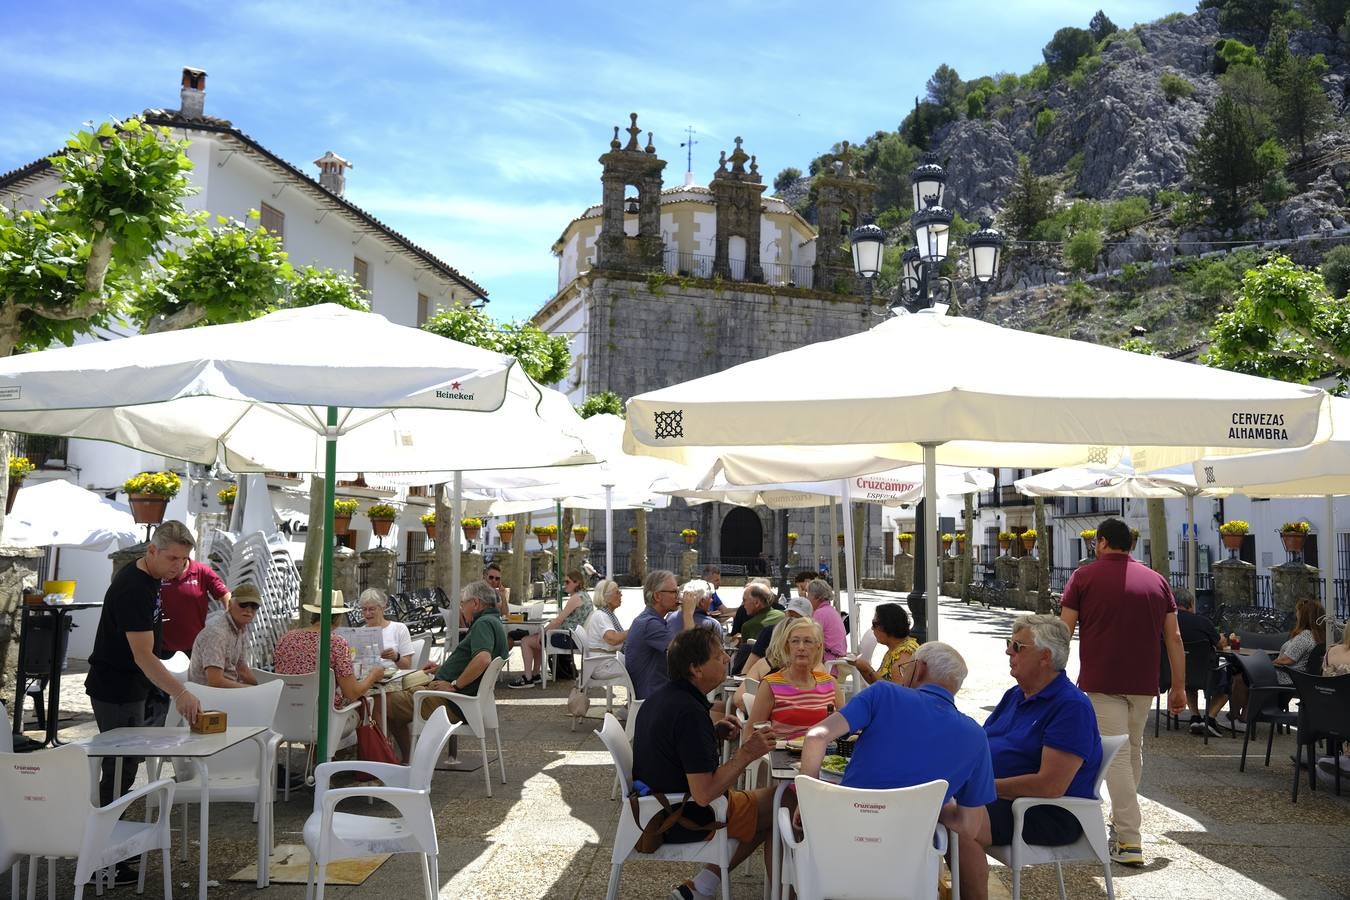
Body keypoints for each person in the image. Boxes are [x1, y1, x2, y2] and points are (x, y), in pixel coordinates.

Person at [1060, 516, 1185, 867]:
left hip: (1102, 680)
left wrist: (1053, 674)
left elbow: (1063, 631)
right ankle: (1120, 823)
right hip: (1143, 682)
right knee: (1131, 750)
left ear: (1101, 542)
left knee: (1115, 755)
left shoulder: (1083, 577)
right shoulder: (1157, 581)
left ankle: (1130, 839)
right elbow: (1174, 637)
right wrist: (1179, 685)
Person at [799, 642, 996, 863]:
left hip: (842, 842)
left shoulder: (884, 693)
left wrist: (807, 800)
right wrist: (931, 807)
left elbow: (816, 736)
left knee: (791, 813)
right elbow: (968, 826)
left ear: (919, 668)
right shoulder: (976, 735)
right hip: (910, 863)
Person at [952, 616, 1103, 900]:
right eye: (1009, 643)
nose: (1008, 651)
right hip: (1003, 800)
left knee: (955, 821)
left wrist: (982, 787)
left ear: (1045, 656)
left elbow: (1050, 785)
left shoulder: (1071, 707)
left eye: (1017, 646)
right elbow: (982, 747)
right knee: (926, 801)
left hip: (1045, 811)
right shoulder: (1016, 695)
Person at [631, 626, 775, 900]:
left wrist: (712, 732)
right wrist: (746, 753)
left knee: (772, 810)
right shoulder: (689, 713)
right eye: (719, 656)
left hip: (657, 807)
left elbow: (674, 747)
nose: (727, 659)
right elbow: (704, 794)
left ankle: (701, 889)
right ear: (696, 669)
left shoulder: (665, 697)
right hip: (680, 818)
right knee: (785, 802)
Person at [85, 520, 203, 813]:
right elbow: (143, 655)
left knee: (127, 765)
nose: (178, 566)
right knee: (119, 769)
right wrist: (180, 693)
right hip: (115, 687)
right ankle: (101, 830)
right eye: (172, 557)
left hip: (133, 685)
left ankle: (108, 827)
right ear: (152, 551)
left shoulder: (151, 577)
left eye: (184, 559)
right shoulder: (134, 587)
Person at [386, 580, 509, 761]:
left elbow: (483, 659)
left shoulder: (483, 623)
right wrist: (442, 669)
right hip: (462, 701)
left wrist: (455, 685)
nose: (461, 609)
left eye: (463, 604)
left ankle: (382, 765)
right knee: (394, 705)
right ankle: (407, 760)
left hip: (452, 703)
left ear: (476, 603)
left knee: (382, 702)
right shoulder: (494, 621)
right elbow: (474, 660)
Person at [273, 593, 388, 709]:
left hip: (285, 710)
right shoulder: (335, 643)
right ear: (338, 618)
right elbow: (352, 693)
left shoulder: (285, 638)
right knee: (366, 705)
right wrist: (373, 675)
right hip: (323, 713)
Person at [747, 618, 844, 740]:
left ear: (818, 647)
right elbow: (750, 735)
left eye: (807, 641)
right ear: (787, 646)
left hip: (825, 750)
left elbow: (845, 727)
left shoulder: (830, 683)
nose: (801, 647)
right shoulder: (771, 685)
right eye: (795, 641)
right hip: (783, 751)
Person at [509, 569, 592, 688]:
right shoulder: (585, 596)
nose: (564, 585)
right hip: (575, 637)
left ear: (577, 582)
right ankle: (535, 674)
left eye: (567, 582)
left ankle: (528, 678)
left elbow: (558, 620)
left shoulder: (576, 598)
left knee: (526, 641)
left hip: (569, 638)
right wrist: (543, 632)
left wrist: (543, 631)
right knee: (535, 638)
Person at [625, 569, 697, 699]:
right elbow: (687, 651)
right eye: (674, 592)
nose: (678, 596)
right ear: (657, 596)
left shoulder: (652, 619)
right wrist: (688, 614)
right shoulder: (650, 624)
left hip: (658, 691)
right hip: (653, 697)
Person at [158, 542, 231, 657]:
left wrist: (230, 619)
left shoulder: (202, 571)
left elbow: (225, 594)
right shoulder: (159, 570)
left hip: (194, 648)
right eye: (172, 557)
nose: (174, 562)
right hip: (161, 647)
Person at [1174, 592, 1231, 737]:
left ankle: (1195, 717)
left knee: (1188, 678)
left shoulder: (1166, 622)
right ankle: (1209, 718)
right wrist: (1223, 639)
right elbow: (1219, 645)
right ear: (1191, 604)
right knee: (1230, 680)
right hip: (1206, 674)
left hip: (1174, 673)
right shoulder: (1202, 622)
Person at [187, 583, 261, 688]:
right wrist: (253, 690)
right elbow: (215, 682)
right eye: (243, 604)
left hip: (224, 691)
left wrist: (260, 688)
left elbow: (242, 669)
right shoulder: (217, 633)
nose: (249, 610)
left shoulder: (240, 629)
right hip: (206, 693)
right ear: (230, 605)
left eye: (254, 606)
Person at [852, 602, 919, 685]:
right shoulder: (895, 648)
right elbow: (877, 684)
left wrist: (869, 669)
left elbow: (897, 691)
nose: (872, 628)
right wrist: (863, 668)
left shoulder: (904, 654)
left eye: (875, 624)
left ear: (888, 626)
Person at [730, 583, 785, 674]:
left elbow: (746, 656)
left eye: (744, 600)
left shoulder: (748, 626)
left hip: (758, 672)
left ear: (757, 603)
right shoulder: (783, 616)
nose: (743, 604)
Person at [581, 578, 628, 680]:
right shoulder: (601, 616)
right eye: (617, 593)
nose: (621, 595)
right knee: (643, 665)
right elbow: (613, 639)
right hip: (602, 666)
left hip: (602, 662)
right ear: (606, 597)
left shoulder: (603, 614)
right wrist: (633, 630)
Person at [358, 587, 415, 669]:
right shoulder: (359, 633)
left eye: (371, 609)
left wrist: (396, 657)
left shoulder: (399, 629)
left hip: (393, 675)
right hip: (367, 675)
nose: (367, 613)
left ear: (383, 608)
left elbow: (407, 666)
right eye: (364, 609)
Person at [1274, 598, 1326, 685]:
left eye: (1298, 611)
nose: (1296, 614)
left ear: (1303, 616)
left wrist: (1269, 663)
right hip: (1301, 680)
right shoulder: (1320, 635)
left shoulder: (1304, 636)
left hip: (1288, 680)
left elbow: (1286, 660)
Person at [806, 578, 848, 661]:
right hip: (838, 657)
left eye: (808, 595)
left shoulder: (820, 613)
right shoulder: (830, 610)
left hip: (829, 660)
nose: (807, 598)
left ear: (817, 597)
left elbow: (811, 638)